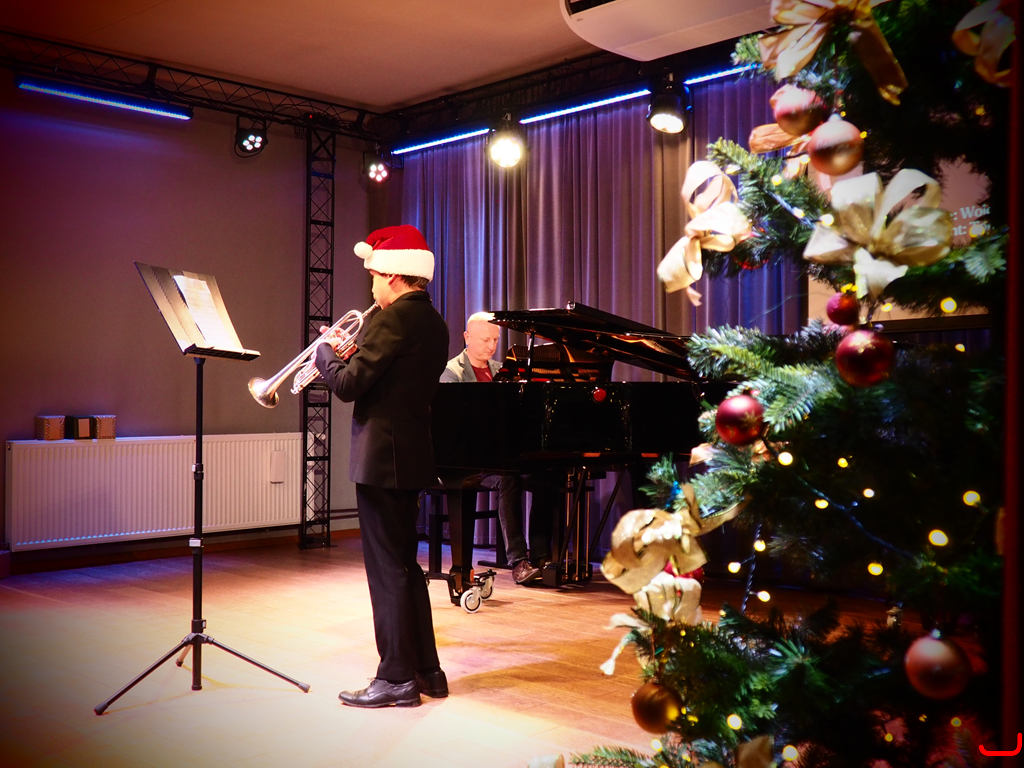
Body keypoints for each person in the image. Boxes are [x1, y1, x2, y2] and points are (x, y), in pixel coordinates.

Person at [315, 224, 450, 709]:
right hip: (410, 457)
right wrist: (351, 354)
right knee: (406, 567)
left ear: (393, 275)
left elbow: (348, 385)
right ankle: (427, 671)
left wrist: (326, 352)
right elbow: (383, 375)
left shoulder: (392, 319)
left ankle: (395, 678)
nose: (371, 285)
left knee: (387, 571)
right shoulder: (433, 320)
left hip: (381, 461)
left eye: (373, 275)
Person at [439, 312, 553, 586]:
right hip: (468, 460)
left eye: (495, 339)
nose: (491, 346)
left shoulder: (503, 371)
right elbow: (452, 426)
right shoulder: (452, 372)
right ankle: (518, 561)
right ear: (467, 337)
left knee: (546, 477)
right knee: (508, 479)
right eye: (485, 340)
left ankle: (541, 556)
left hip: (501, 456)